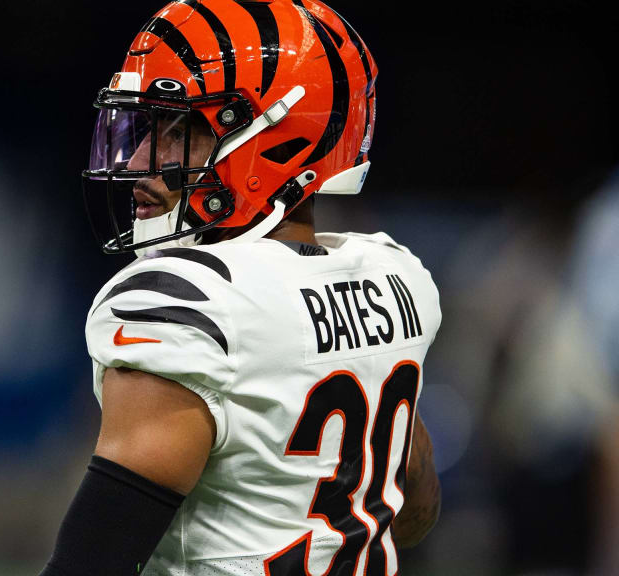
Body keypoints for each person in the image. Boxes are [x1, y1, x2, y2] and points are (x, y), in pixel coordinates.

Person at [42, 1, 441, 574]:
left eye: (180, 132)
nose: (136, 159)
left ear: (274, 143)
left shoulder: (185, 302)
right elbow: (413, 510)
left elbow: (91, 562)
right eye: (148, 128)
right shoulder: (389, 276)